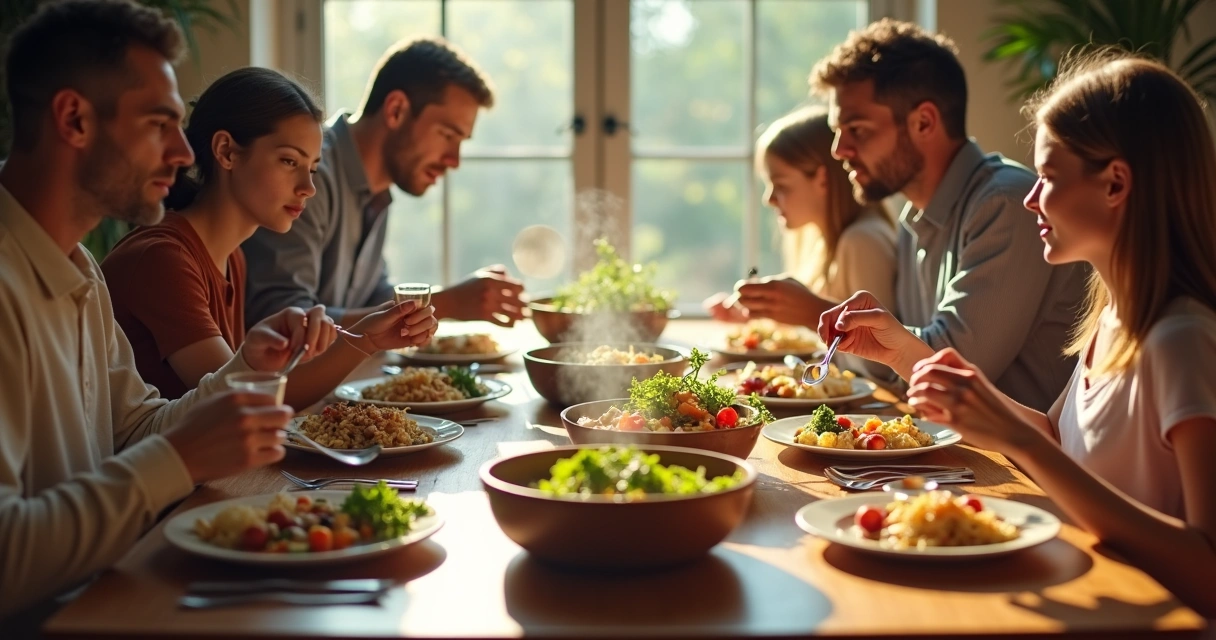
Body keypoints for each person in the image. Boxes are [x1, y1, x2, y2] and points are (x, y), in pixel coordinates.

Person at [819, 53, 1216, 617]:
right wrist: (909, 356)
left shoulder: (1181, 339)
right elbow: (1057, 437)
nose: (1031, 197)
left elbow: (1208, 570)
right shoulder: (1112, 320)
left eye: (1049, 178)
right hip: (1089, 594)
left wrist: (1018, 438)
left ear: (1116, 184)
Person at [0, 0, 337, 621]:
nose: (185, 152)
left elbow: (132, 431)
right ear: (74, 119)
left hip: (107, 589)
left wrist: (247, 371)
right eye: (159, 123)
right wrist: (178, 460)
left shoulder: (79, 270)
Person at [738, 20, 1087, 412]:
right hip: (956, 450)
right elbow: (898, 367)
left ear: (924, 122)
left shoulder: (1006, 203)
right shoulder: (914, 219)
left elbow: (952, 371)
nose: (839, 150)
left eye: (856, 129)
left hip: (1014, 468)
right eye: (837, 131)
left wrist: (813, 311)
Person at [102, 67, 437, 401]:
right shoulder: (163, 259)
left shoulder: (233, 258)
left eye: (314, 168)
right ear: (227, 152)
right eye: (289, 161)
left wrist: (369, 338)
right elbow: (237, 400)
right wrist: (366, 341)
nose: (308, 188)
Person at [242, 36, 525, 329]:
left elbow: (370, 298)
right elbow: (282, 320)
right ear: (396, 110)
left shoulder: (376, 190)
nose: (454, 160)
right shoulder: (311, 177)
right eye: (447, 135)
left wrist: (443, 300)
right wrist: (447, 303)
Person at [703, 106, 895, 323]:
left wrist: (811, 314)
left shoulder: (863, 242)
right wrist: (752, 316)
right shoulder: (824, 242)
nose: (769, 199)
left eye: (781, 185)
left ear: (822, 179)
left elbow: (876, 354)